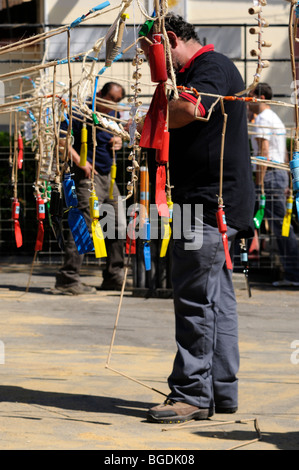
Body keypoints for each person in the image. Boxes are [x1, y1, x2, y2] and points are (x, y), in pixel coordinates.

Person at [139, 14, 255, 424]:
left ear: (169, 40)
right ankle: (220, 390)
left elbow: (189, 108)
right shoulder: (203, 69)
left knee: (194, 301)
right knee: (216, 301)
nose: (149, 63)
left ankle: (191, 394)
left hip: (207, 205)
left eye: (148, 51)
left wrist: (150, 121)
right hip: (209, 202)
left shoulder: (209, 66)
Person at [54, 82, 127, 295]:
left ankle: (113, 275)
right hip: (87, 177)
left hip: (108, 176)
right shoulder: (79, 111)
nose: (111, 104)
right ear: (99, 94)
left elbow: (119, 137)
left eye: (116, 101)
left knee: (117, 225)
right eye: (109, 98)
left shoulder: (113, 116)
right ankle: (68, 278)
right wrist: (80, 161)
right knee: (84, 224)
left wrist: (118, 141)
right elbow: (61, 139)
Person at [249, 82, 299, 287]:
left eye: (251, 96)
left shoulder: (262, 119)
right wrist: (288, 179)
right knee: (281, 224)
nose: (248, 101)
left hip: (269, 175)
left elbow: (264, 152)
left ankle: (294, 274)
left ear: (260, 98)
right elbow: (284, 154)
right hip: (278, 173)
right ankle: (291, 272)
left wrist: (259, 185)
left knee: (280, 226)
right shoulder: (275, 118)